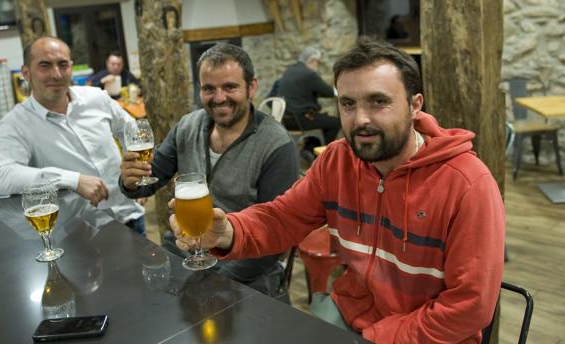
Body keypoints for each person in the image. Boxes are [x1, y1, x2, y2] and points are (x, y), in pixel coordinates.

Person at [170, 38, 505, 343]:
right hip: (351, 312)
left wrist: (379, 336)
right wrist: (229, 231)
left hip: (427, 334)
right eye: (347, 103)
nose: (360, 119)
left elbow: (470, 307)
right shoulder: (337, 161)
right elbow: (282, 218)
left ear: (415, 105)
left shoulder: (467, 184)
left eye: (378, 102)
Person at [119, 43, 299, 297]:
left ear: (252, 87)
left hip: (246, 273)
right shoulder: (188, 126)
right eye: (208, 89)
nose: (219, 98)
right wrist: (130, 180)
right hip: (185, 256)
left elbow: (274, 238)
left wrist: (217, 284)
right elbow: (149, 179)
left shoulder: (277, 145)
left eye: (230, 87)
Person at [0, 36, 146, 235]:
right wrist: (73, 180)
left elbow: (132, 130)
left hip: (130, 216)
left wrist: (136, 175)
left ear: (71, 67)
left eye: (63, 65)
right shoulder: (16, 123)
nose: (56, 74)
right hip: (79, 234)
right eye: (45, 65)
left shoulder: (95, 97)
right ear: (26, 73)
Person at [277, 46, 341, 156]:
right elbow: (329, 92)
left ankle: (310, 149)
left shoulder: (291, 69)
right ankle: (322, 155)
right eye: (318, 63)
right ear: (312, 61)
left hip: (287, 119)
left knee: (321, 119)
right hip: (300, 120)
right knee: (335, 123)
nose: (318, 65)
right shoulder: (309, 74)